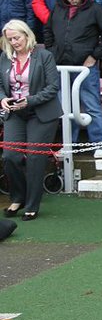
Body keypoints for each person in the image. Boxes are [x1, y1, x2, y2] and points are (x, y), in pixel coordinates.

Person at [43, 0, 102, 159]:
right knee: (65, 107)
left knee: (91, 105)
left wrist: (94, 56)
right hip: (60, 67)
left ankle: (101, 145)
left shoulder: (95, 9)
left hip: (85, 68)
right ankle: (70, 144)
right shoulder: (58, 8)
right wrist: (52, 52)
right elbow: (48, 30)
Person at [1, 19, 60, 220]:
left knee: (35, 157)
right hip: (15, 112)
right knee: (10, 156)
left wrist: (29, 100)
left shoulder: (44, 56)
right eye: (10, 39)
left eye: (17, 37)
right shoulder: (4, 57)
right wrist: (2, 99)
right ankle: (18, 197)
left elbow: (53, 87)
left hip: (41, 112)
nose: (14, 42)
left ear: (27, 35)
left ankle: (33, 204)